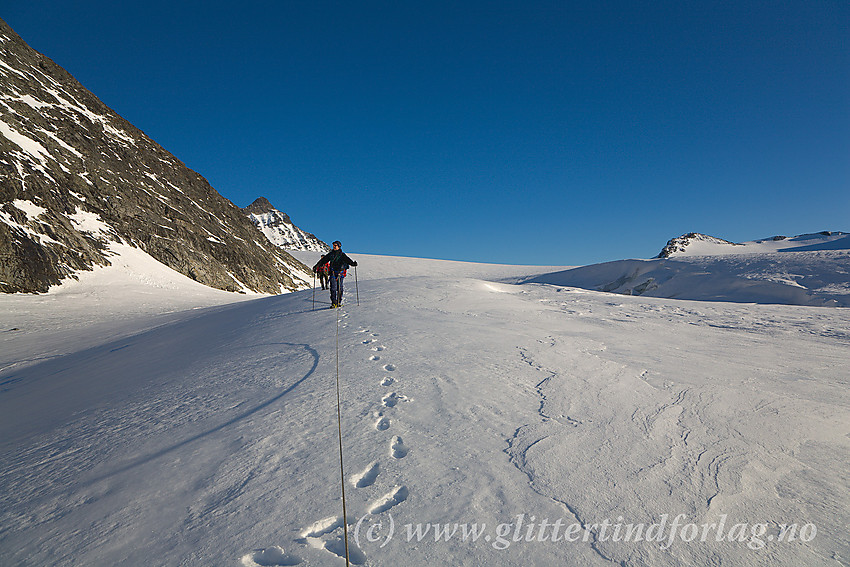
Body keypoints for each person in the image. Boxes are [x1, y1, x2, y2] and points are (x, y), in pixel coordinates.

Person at [313, 241, 357, 308]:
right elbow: (323, 260)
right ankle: (334, 302)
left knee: (339, 288)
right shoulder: (331, 254)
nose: (334, 246)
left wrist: (353, 263)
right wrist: (317, 266)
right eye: (333, 245)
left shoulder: (342, 255)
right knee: (333, 288)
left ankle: (338, 302)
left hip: (340, 273)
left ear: (339, 246)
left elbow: (348, 260)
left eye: (335, 245)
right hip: (333, 273)